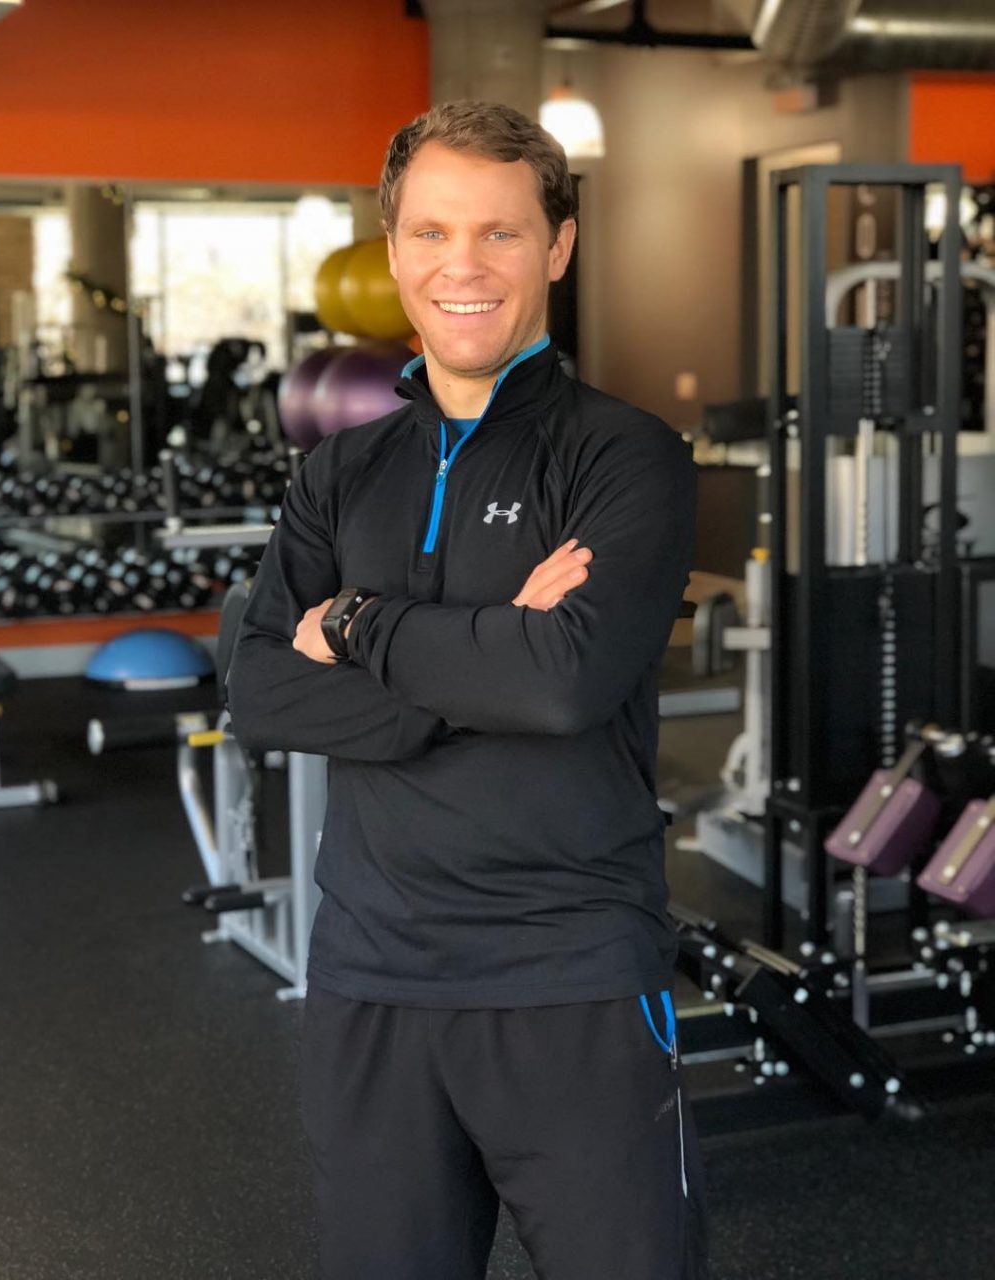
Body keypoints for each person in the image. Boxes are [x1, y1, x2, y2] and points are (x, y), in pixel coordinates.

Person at [227, 100, 706, 1280]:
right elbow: (263, 694)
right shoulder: (340, 471)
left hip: (570, 975)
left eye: (500, 231)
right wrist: (491, 652)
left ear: (558, 246)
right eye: (433, 231)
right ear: (393, 250)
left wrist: (358, 624)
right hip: (370, 974)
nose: (464, 265)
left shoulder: (623, 454)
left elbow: (563, 683)